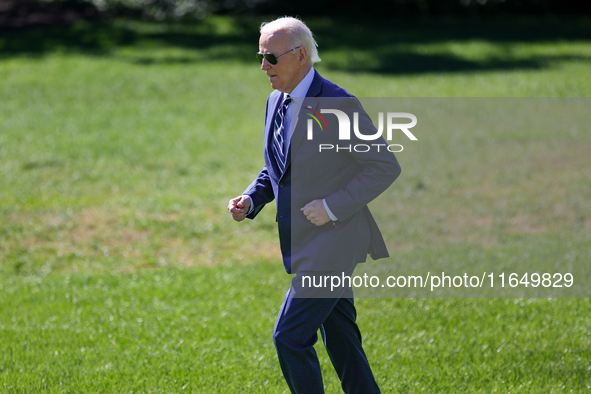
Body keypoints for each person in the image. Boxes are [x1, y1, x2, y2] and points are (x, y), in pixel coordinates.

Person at [227, 16, 401, 394]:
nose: (263, 67)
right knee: (343, 343)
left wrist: (334, 205)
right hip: (306, 242)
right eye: (260, 56)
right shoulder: (277, 100)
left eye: (270, 57)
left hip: (335, 242)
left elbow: (384, 165)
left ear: (300, 55)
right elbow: (281, 164)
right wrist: (253, 197)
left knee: (289, 336)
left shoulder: (336, 104)